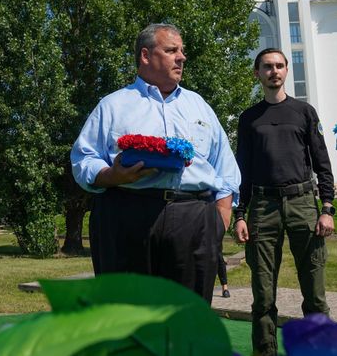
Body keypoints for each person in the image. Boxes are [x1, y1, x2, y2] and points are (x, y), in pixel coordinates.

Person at [70, 23, 241, 303]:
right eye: (172, 50)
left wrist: (220, 219)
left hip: (193, 218)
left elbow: (224, 166)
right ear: (146, 56)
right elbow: (82, 159)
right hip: (127, 216)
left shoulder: (199, 106)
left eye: (182, 51)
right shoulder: (113, 105)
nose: (182, 57)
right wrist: (111, 176)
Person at [234, 48, 335, 356]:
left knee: (314, 293)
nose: (273, 71)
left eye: (279, 66)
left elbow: (322, 163)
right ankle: (265, 351)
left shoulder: (304, 112)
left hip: (303, 203)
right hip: (263, 209)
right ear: (257, 73)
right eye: (267, 66)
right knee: (263, 294)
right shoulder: (249, 119)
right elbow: (243, 171)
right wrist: (239, 215)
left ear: (286, 71)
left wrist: (327, 208)